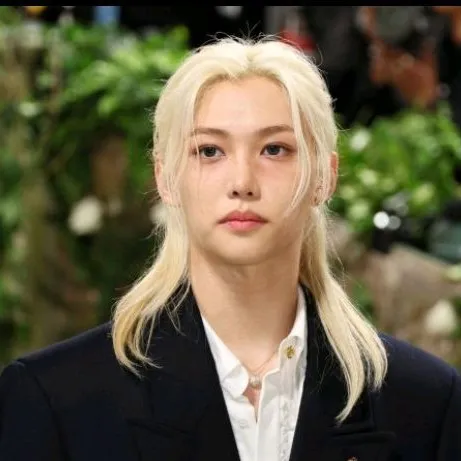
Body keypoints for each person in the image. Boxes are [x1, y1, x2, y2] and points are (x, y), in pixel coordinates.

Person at [0, 35, 460, 461]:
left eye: (274, 149)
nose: (242, 182)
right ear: (165, 177)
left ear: (325, 176)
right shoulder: (54, 398)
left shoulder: (426, 402)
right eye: (210, 151)